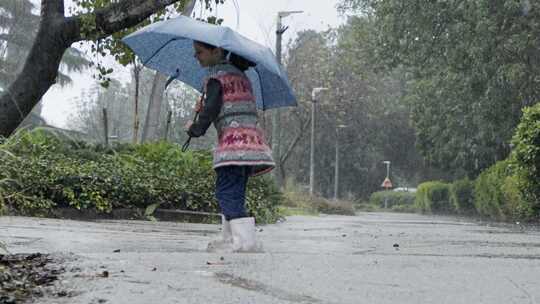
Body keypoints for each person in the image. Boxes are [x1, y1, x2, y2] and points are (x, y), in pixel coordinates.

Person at [185, 41, 275, 252]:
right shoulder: (241, 76)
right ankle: (230, 239)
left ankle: (246, 242)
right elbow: (228, 104)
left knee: (226, 192)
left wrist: (194, 127)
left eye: (200, 52)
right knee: (235, 193)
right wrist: (206, 103)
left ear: (216, 51)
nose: (196, 57)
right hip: (250, 146)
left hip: (233, 147)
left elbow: (211, 113)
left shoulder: (217, 78)